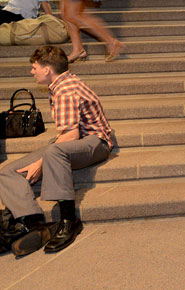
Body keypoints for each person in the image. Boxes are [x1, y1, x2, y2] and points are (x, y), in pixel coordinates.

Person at [0, 46, 114, 256]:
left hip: (96, 143)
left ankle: (69, 220)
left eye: (34, 68)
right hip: (75, 140)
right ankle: (32, 222)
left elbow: (71, 136)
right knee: (7, 172)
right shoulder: (62, 84)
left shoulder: (65, 90)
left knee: (53, 153)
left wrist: (41, 162)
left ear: (47, 70)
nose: (31, 72)